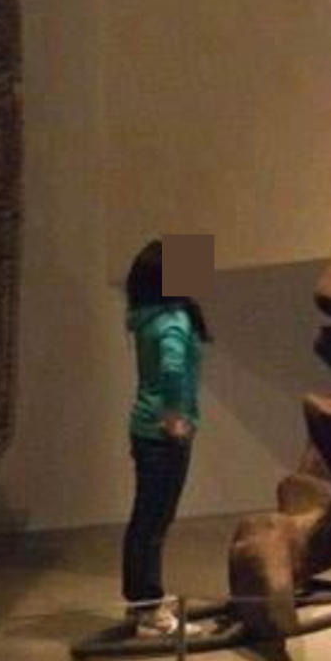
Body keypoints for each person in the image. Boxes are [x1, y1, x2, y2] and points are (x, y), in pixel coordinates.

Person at [121, 238, 212, 639]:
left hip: (144, 429)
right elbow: (174, 369)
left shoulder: (147, 317)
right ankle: (148, 609)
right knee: (154, 521)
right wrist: (175, 417)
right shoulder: (173, 320)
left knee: (146, 519)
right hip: (162, 433)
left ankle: (142, 602)